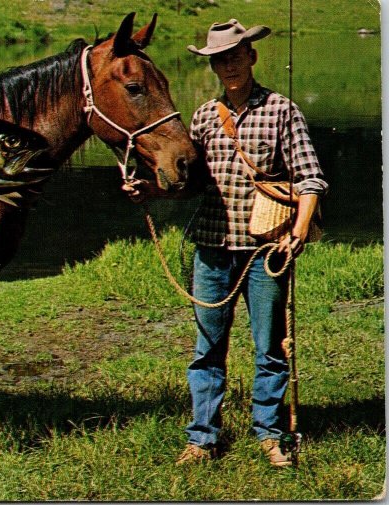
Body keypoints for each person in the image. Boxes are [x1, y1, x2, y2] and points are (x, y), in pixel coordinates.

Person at [122, 19, 328, 467]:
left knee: (269, 346)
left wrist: (298, 232)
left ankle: (270, 435)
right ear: (213, 65)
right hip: (211, 247)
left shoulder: (282, 110)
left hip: (266, 249)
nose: (228, 65)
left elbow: (310, 179)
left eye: (235, 55)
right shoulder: (202, 117)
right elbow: (191, 183)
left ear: (251, 56)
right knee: (206, 349)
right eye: (220, 59)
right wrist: (150, 190)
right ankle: (202, 438)